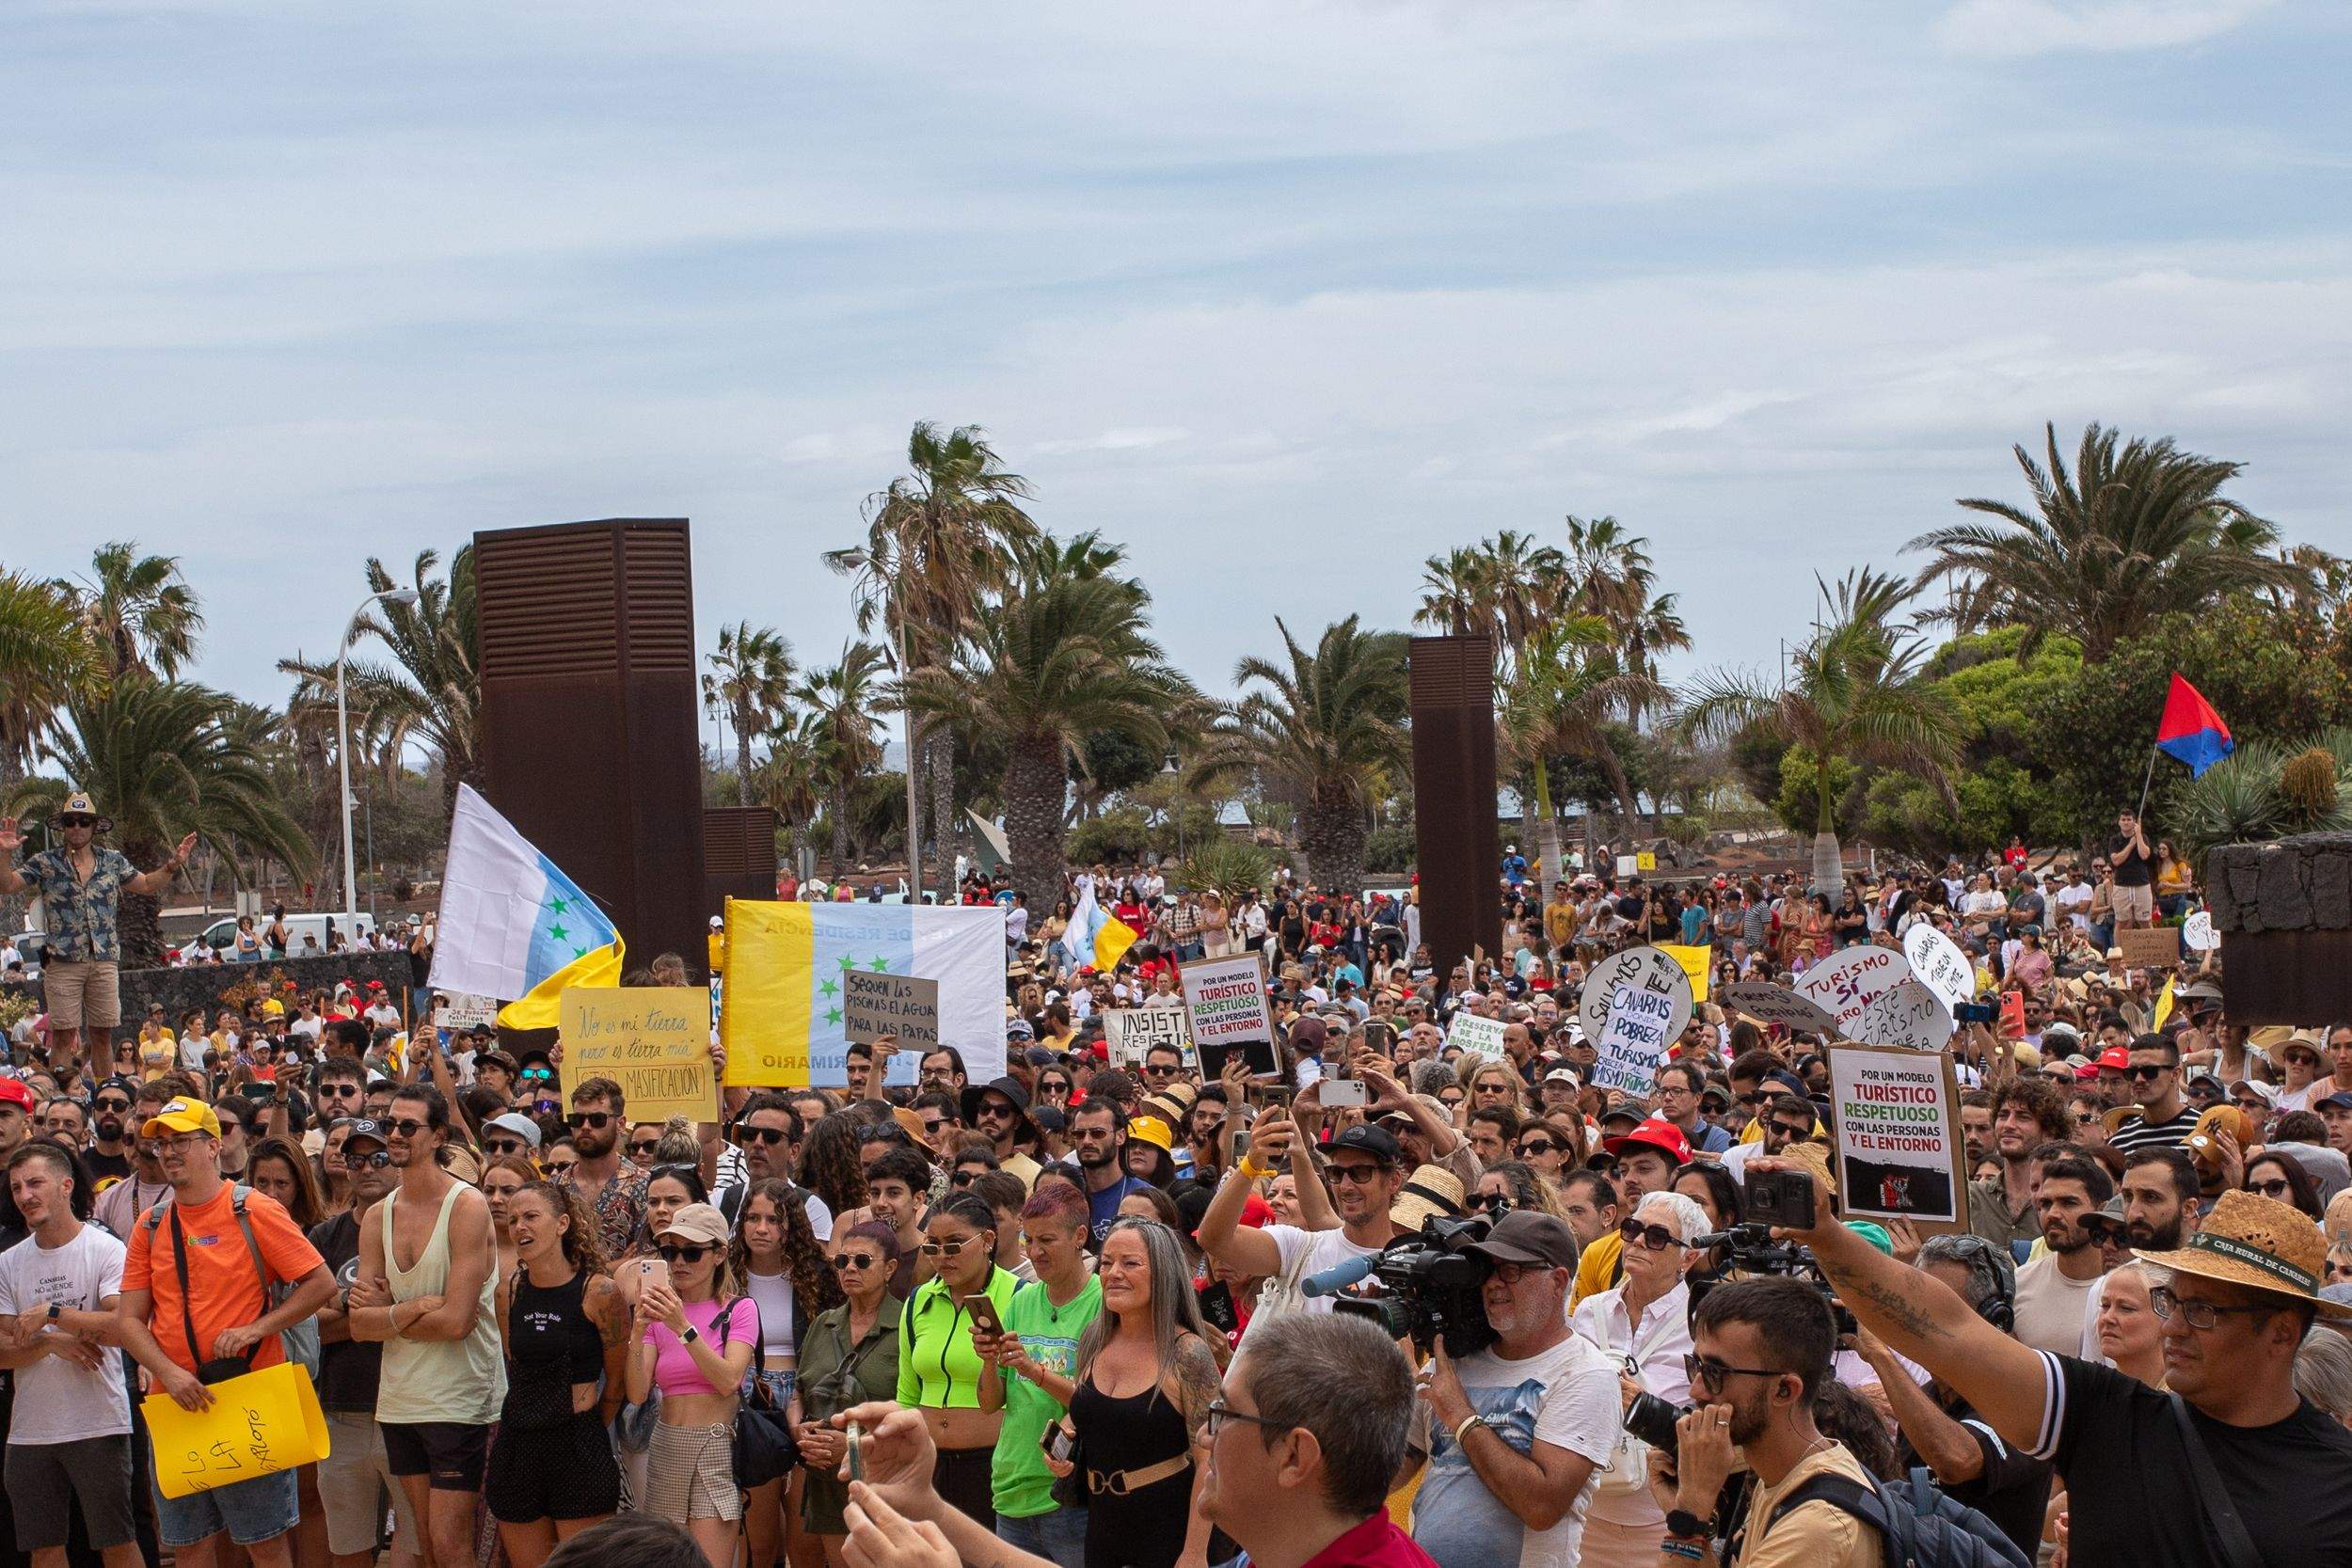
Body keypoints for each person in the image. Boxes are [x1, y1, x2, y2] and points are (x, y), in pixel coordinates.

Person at [1751, 1156, 2352, 1567]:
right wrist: (1826, 1235)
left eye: (2204, 1312)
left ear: (2280, 1334)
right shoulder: (2110, 1415)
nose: (2172, 1326)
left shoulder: (2337, 1480)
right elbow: (1946, 1329)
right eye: (2173, 1302)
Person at [833, 1311, 1438, 1568]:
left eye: (1225, 1416)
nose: (1204, 1432)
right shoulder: (1300, 1545)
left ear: (1295, 1456)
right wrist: (928, 1507)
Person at [114, 1096, 336, 1568]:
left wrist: (258, 1327)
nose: (169, 1152)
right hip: (176, 1403)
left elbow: (321, 1284)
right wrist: (168, 1374)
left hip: (249, 1396)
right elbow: (128, 1321)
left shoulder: (254, 1209)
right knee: (189, 1545)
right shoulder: (150, 1225)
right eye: (161, 1144)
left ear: (214, 1147)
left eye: (182, 1142)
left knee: (267, 1543)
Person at [344, 1082, 504, 1568]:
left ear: (438, 1137)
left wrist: (386, 1317)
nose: (394, 1134)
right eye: (390, 1123)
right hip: (400, 1399)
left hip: (460, 1399)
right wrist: (410, 1310)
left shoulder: (467, 1206)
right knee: (427, 1544)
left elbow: (457, 1321)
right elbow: (358, 1327)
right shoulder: (377, 1216)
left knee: (452, 1542)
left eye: (407, 1126)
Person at [1406, 1210, 1616, 1568]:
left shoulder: (1587, 1373)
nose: (1493, 1283)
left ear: (1558, 1280)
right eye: (1488, 1270)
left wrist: (1461, 1416)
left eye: (1511, 1270)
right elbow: (1394, 1465)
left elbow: (1542, 1506)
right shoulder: (1454, 1359)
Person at [1647, 1275, 1879, 1568]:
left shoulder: (1816, 1526)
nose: (1696, 1390)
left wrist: (1687, 1515)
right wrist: (1685, 1515)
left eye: (1715, 1372)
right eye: (1696, 1365)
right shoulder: (1780, 1473)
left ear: (1785, 1390)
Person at [1853, 1234, 2050, 1559]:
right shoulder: (1928, 1397)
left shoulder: (2025, 1395)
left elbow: (1955, 1460)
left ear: (1993, 1317)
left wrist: (1879, 1354)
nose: (1919, 1318)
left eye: (1939, 1307)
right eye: (1914, 1303)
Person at [0, 1141, 139, 1568]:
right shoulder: (8, 1262)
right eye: (17, 1187)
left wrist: (53, 1314)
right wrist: (50, 1340)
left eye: (36, 1183)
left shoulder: (106, 1249)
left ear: (65, 1185)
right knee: (43, 1548)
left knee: (115, 1542)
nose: (25, 1195)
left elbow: (122, 1329)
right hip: (29, 1430)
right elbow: (4, 1350)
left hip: (97, 1420)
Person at [1055, 1218, 1220, 1568]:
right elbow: (1087, 1412)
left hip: (1167, 1533)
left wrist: (1194, 1552)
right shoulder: (1093, 1338)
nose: (1113, 1272)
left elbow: (1210, 1458)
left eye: (1130, 1263)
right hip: (1101, 1530)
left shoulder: (1188, 1353)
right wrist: (1064, 1443)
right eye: (1106, 1262)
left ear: (1163, 1273)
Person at [487, 1179, 628, 1568]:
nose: (520, 1227)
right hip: (518, 1443)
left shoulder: (600, 1292)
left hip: (578, 1443)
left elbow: (616, 1383)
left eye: (532, 1217)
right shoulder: (508, 1292)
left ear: (563, 1223)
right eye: (514, 1220)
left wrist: (585, 1427)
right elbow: (514, 1363)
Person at [0, 796, 195, 1068]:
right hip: (62, 963)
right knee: (63, 1036)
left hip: (103, 961)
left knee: (102, 1034)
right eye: (70, 822)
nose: (76, 827)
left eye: (84, 821)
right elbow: (7, 885)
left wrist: (174, 864)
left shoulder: (112, 861)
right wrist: (5, 853)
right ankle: (63, 1097)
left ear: (94, 826)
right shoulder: (46, 862)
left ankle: (104, 1091)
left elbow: (148, 884)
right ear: (63, 827)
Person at [308, 1117, 422, 1568]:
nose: (366, 1168)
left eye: (378, 1157)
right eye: (356, 1158)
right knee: (347, 1547)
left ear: (395, 1160)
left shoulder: (422, 1228)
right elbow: (304, 1325)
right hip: (341, 1410)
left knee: (415, 1544)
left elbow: (432, 1313)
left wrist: (367, 1316)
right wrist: (364, 1310)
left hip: (407, 1407)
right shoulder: (324, 1235)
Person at [1570, 1193, 1704, 1568]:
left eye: (1658, 1236)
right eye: (1632, 1229)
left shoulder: (1704, 1326)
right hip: (1586, 1509)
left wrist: (1648, 1409)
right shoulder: (1588, 1311)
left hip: (1662, 1518)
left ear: (1689, 1257)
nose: (1640, 1241)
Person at [627, 1202, 757, 1568]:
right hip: (666, 1443)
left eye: (692, 1252)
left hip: (714, 1445)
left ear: (720, 1254)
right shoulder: (659, 1313)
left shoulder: (740, 1309)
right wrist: (637, 1332)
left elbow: (729, 1380)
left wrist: (682, 1326)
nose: (680, 1262)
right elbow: (637, 1393)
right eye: (671, 1252)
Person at [981, 1183, 1102, 1568]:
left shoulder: (1103, 1302)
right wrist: (988, 1360)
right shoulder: (1022, 1299)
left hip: (1068, 1493)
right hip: (1011, 1487)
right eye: (1027, 1239)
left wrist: (1033, 1371)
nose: (1034, 1252)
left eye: (1047, 1239)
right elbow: (989, 1403)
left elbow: (1097, 1401)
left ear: (1080, 1236)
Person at [1200, 1118, 1406, 1341]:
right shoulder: (1300, 1247)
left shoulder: (1414, 1266)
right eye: (1336, 1173)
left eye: (1360, 1172)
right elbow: (1214, 1240)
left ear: (1394, 1181)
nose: (1345, 1186)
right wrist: (1250, 1166)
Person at [733, 1178, 843, 1568]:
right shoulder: (727, 1273)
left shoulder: (817, 1275)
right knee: (760, 1546)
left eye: (773, 1220)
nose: (761, 1228)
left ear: (791, 1226)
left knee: (806, 1546)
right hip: (748, 1401)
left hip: (803, 1398)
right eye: (752, 1218)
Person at [898, 1191, 1022, 1528]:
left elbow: (1023, 1392)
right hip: (928, 1463)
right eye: (932, 1246)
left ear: (987, 1240)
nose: (942, 1256)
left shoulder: (1018, 1297)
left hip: (992, 1463)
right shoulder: (918, 1300)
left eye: (954, 1245)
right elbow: (907, 1393)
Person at [795, 1222, 903, 1567]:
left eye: (862, 1260)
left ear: (890, 1269)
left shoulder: (906, 1324)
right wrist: (800, 1430)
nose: (850, 1268)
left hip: (887, 1476)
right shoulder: (824, 1322)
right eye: (842, 1261)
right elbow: (799, 1392)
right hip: (828, 1477)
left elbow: (915, 1407)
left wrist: (853, 1445)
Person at [2106, 1035, 2201, 1155]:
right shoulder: (2120, 1142)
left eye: (2150, 1071)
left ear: (2175, 1075)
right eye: (2131, 1072)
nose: (2138, 1079)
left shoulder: (2202, 1130)